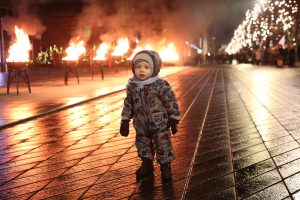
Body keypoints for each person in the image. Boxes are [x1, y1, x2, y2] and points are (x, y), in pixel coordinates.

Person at [120, 50, 180, 181]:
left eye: (146, 67)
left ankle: (165, 167)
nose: (142, 70)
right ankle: (146, 164)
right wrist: (125, 120)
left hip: (160, 124)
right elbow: (128, 104)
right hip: (141, 124)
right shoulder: (132, 87)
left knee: (163, 143)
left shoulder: (160, 85)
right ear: (133, 68)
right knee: (142, 143)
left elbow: (170, 100)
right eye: (138, 67)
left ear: (153, 69)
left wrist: (174, 117)